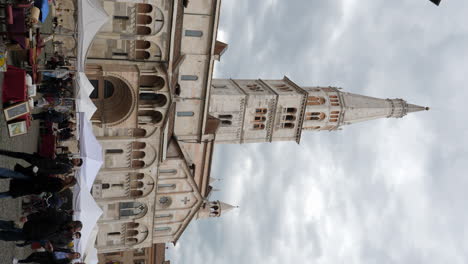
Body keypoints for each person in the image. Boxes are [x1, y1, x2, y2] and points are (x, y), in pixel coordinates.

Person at [0, 209, 82, 243]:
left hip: (30, 236)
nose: (73, 232)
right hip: (30, 226)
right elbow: (44, 214)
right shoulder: (61, 216)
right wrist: (28, 217)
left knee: (7, 237)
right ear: (73, 223)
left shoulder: (64, 232)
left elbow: (51, 237)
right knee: (8, 225)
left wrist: (46, 242)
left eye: (75, 231)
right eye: (74, 230)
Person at [0, 169, 76, 199]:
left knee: (12, 192)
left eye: (70, 178)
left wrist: (40, 177)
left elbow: (45, 186)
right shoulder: (60, 181)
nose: (68, 177)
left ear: (69, 182)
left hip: (33, 184)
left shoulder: (59, 187)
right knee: (16, 175)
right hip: (34, 180)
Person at [0, 149, 82, 175]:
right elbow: (56, 158)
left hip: (39, 167)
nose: (76, 159)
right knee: (21, 155)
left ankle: (3, 174)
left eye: (77, 161)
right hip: (40, 159)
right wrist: (55, 154)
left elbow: (52, 171)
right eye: (77, 158)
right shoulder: (67, 159)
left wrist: (39, 170)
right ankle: (3, 152)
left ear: (76, 165)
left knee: (19, 172)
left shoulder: (67, 168)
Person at [14, 250, 80, 264]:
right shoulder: (68, 251)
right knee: (34, 254)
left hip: (49, 260)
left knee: (34, 259)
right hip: (49, 253)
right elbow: (59, 249)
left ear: (75, 258)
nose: (76, 255)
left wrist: (53, 254)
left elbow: (56, 262)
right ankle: (24, 261)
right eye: (77, 254)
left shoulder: (67, 261)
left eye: (77, 256)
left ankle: (19, 261)